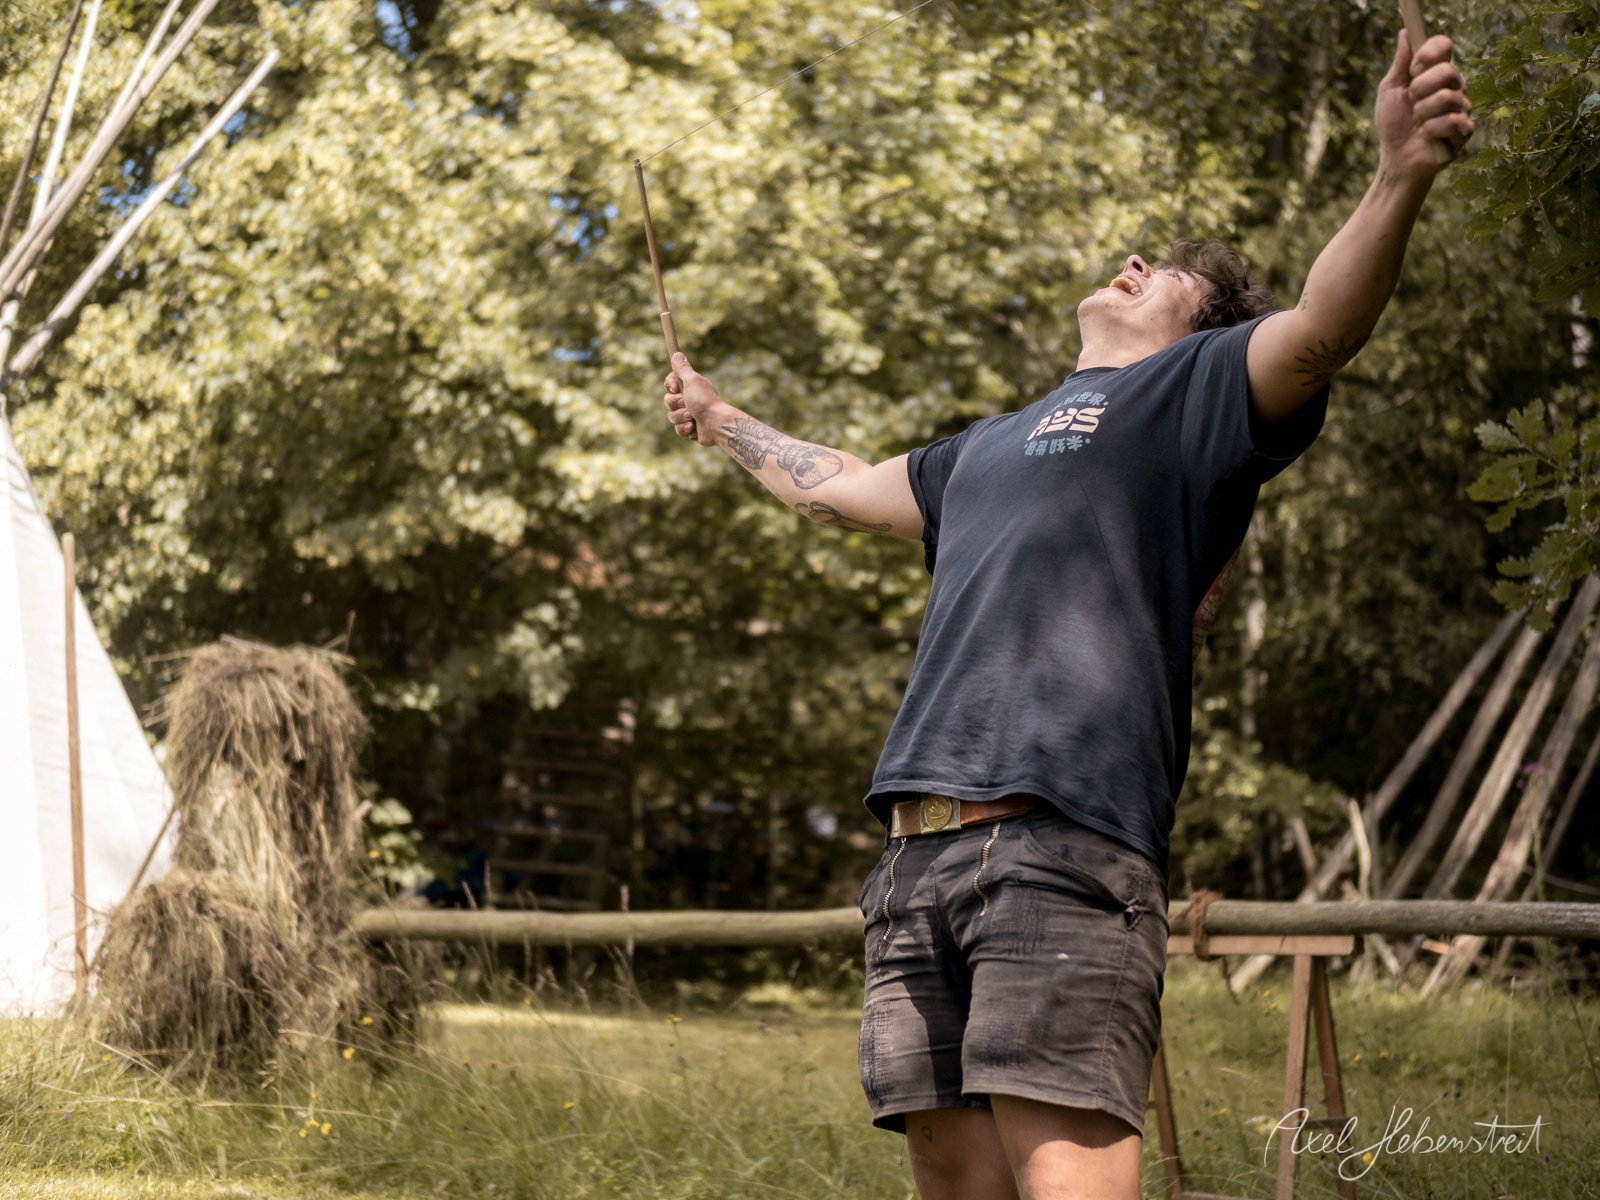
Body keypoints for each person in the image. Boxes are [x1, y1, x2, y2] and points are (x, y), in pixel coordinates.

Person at [660, 30, 1472, 1200]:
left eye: (1169, 273)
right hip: (913, 857)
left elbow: (1324, 325)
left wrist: (1396, 174)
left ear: (1206, 333)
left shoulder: (1193, 396)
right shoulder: (981, 449)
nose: (1134, 261)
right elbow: (836, 484)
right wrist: (722, 418)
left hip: (1061, 845)